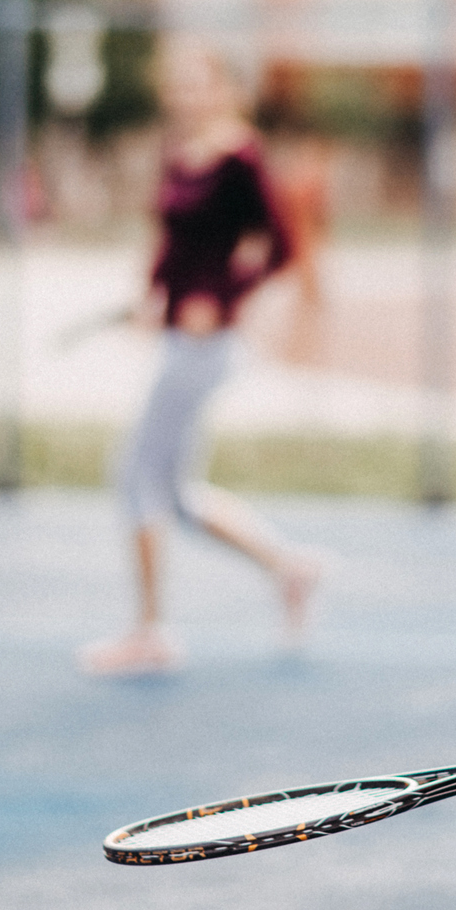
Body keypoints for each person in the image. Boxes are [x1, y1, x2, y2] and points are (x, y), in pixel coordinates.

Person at [80, 40, 321, 677]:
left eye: (198, 84)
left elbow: (283, 246)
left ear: (225, 89)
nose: (186, 95)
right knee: (175, 496)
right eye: (178, 84)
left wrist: (221, 299)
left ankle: (151, 631)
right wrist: (150, 297)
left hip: (207, 346)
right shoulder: (180, 152)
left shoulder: (241, 156)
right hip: (176, 339)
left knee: (135, 475)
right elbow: (169, 241)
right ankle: (289, 568)